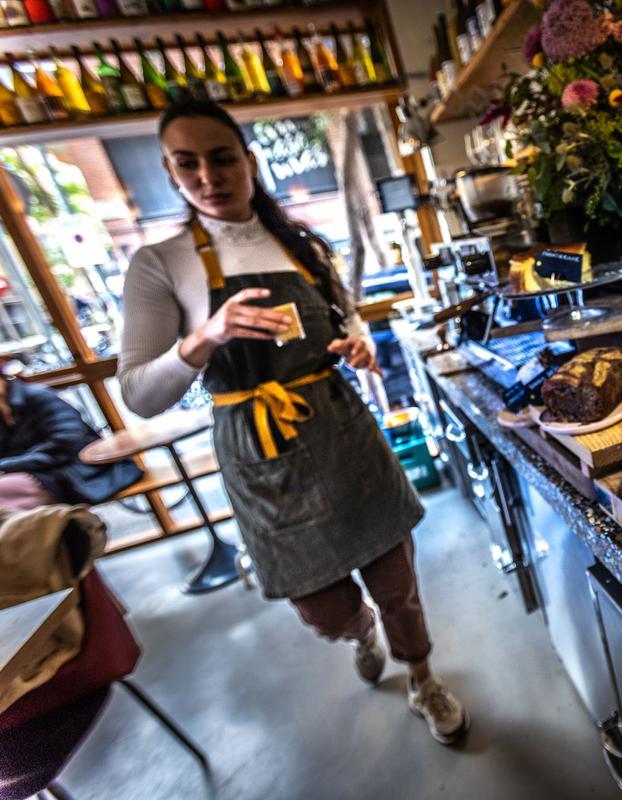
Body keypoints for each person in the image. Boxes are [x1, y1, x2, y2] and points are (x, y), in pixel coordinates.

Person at [116, 99, 467, 744]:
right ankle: (359, 632)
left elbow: (347, 318)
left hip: (341, 431)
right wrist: (205, 338)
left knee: (398, 582)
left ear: (249, 163)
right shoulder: (160, 264)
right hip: (259, 449)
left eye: (222, 159)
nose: (207, 176)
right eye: (186, 164)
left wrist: (357, 344)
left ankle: (422, 677)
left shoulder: (299, 244)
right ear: (169, 173)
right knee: (323, 608)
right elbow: (138, 393)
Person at [0, 373, 143, 510]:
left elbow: (69, 441)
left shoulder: (37, 396)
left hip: (79, 472)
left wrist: (10, 465)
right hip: (39, 475)